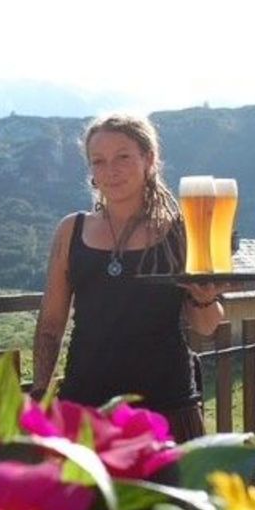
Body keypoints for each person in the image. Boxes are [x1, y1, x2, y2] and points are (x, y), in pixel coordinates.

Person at [31, 113, 226, 442]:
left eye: (123, 156)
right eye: (99, 161)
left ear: (149, 159)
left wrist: (204, 296)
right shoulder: (71, 230)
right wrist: (40, 397)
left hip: (166, 409)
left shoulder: (181, 231)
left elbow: (206, 325)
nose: (111, 170)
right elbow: (51, 324)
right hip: (86, 409)